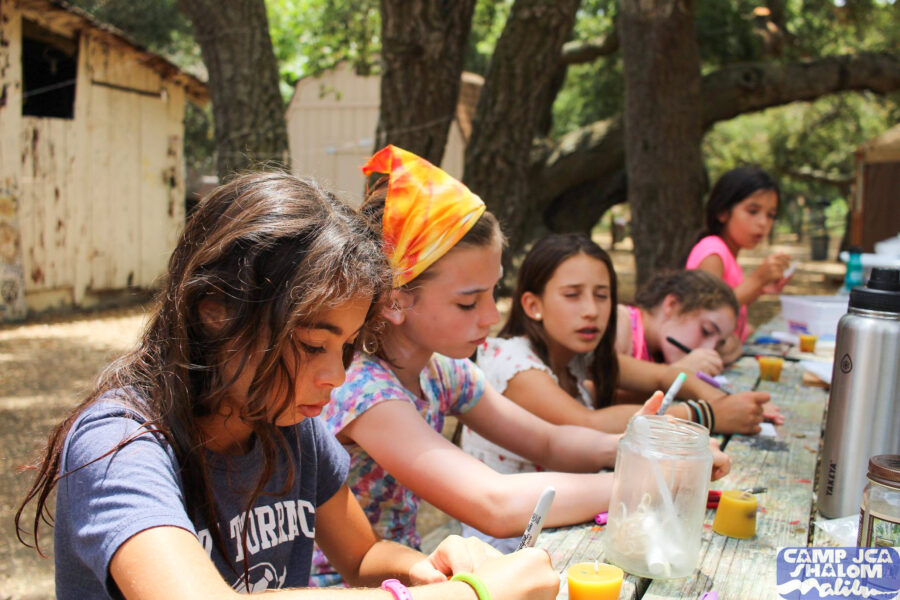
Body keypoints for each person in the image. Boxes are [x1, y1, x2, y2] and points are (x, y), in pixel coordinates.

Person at [14, 172, 560, 600]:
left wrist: (429, 568)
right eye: (310, 344)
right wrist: (472, 595)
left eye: (346, 348)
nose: (336, 376)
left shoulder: (291, 427)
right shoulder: (120, 445)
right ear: (216, 314)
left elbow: (363, 559)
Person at [312, 146, 731, 577]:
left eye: (493, 292)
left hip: (412, 573)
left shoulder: (445, 373)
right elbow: (491, 503)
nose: (492, 316)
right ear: (395, 303)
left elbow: (550, 442)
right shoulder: (365, 391)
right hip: (342, 587)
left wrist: (641, 451)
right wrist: (637, 483)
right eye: (468, 302)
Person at [685, 166, 792, 350]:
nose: (763, 223)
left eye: (770, 215)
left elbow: (733, 300)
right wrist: (757, 280)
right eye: (752, 211)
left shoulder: (727, 253)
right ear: (723, 212)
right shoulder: (713, 252)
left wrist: (760, 288)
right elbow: (710, 313)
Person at [615, 269, 740, 376]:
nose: (709, 349)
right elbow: (600, 395)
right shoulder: (619, 325)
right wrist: (674, 374)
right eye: (706, 331)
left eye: (718, 343)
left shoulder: (658, 349)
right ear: (672, 305)